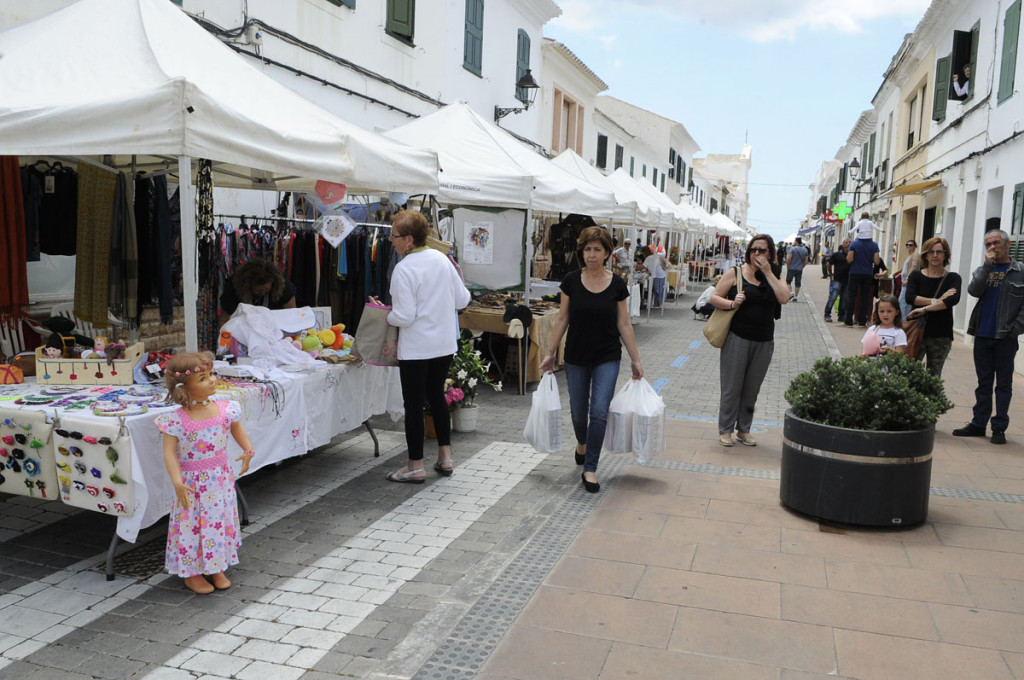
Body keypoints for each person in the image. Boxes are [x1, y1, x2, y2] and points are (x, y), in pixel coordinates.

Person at [540, 226, 644, 493]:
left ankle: (591, 468)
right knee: (578, 412)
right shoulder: (572, 281)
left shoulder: (617, 284)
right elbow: (562, 318)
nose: (592, 254)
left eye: (597, 249)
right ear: (581, 252)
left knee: (598, 412)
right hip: (576, 355)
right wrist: (550, 352)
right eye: (587, 249)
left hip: (607, 355)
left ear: (608, 253)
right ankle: (582, 444)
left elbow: (624, 323)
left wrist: (636, 359)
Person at [374, 210, 471, 483]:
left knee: (414, 405)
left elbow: (404, 316)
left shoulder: (404, 269)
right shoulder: (442, 260)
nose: (390, 240)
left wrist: (385, 314)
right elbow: (463, 298)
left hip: (417, 348)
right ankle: (445, 456)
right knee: (437, 397)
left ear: (408, 239)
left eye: (393, 235)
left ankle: (415, 465)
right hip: (443, 343)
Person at [155, 351, 254, 595]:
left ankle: (215, 565)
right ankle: (193, 572)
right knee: (193, 524)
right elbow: (169, 453)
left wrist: (248, 450)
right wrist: (177, 482)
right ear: (183, 388)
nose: (211, 380)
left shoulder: (224, 409)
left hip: (219, 479)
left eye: (210, 374)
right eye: (202, 378)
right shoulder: (176, 420)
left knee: (217, 520)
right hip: (192, 484)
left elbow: (236, 429)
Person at [710, 234, 789, 447]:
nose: (757, 254)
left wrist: (767, 272)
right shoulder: (736, 272)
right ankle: (725, 430)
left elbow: (784, 297)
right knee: (731, 387)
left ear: (771, 254)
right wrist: (732, 304)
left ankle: (744, 429)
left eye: (762, 250)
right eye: (753, 249)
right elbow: (714, 297)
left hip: (764, 340)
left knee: (752, 389)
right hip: (737, 337)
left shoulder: (776, 274)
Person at [952, 230, 1024, 445]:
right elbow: (973, 291)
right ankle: (978, 423)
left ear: (1008, 244)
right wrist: (986, 266)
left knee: (1003, 384)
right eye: (988, 244)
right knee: (983, 383)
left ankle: (999, 427)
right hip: (982, 334)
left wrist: (1015, 328)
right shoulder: (983, 269)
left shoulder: (1020, 271)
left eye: (996, 242)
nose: (992, 247)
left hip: (1005, 337)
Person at [905, 236, 961, 377]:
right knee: (909, 372)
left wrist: (924, 308)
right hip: (916, 331)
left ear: (945, 255)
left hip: (941, 334)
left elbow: (951, 301)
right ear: (925, 254)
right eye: (931, 252)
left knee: (934, 376)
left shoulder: (953, 278)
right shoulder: (916, 276)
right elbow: (910, 298)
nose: (935, 255)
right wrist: (937, 300)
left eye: (939, 252)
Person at [219, 257, 297, 326]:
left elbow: (292, 315)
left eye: (266, 290)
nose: (262, 293)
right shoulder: (233, 289)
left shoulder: (284, 286)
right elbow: (225, 320)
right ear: (248, 286)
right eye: (258, 291)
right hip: (244, 331)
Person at [844, 232, 882, 327]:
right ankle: (862, 321)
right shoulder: (874, 245)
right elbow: (877, 261)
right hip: (868, 273)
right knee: (865, 297)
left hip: (855, 272)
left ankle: (848, 320)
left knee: (852, 296)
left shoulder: (854, 244)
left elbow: (850, 259)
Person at [824, 238, 851, 323]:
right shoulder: (837, 254)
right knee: (833, 297)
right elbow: (829, 263)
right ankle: (827, 314)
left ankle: (841, 316)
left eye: (850, 242)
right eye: (846, 242)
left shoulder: (852, 255)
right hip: (837, 279)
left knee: (844, 299)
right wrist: (830, 274)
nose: (848, 244)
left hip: (847, 280)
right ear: (843, 245)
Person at [898, 239, 920, 319]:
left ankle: (905, 320)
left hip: (908, 283)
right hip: (904, 283)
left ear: (915, 246)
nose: (908, 246)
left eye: (910, 245)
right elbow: (906, 267)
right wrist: (898, 272)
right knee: (906, 302)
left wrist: (907, 278)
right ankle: (906, 319)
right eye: (907, 245)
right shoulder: (909, 256)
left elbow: (914, 267)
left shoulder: (915, 255)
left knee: (902, 301)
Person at [786, 237, 809, 301]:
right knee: (798, 283)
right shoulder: (805, 250)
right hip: (799, 269)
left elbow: (788, 259)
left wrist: (788, 266)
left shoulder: (793, 249)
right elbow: (806, 261)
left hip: (792, 268)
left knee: (788, 281)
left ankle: (791, 293)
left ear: (796, 241)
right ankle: (795, 297)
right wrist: (802, 266)